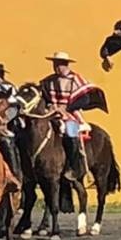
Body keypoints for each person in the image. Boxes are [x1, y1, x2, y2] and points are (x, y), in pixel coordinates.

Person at [40, 51, 94, 181]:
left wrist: (68, 107)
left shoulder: (76, 79)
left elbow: (85, 99)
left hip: (71, 114)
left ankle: (74, 166)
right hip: (52, 113)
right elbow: (45, 97)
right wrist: (50, 106)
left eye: (60, 64)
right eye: (55, 64)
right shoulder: (48, 81)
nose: (57, 67)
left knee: (71, 133)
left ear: (66, 65)